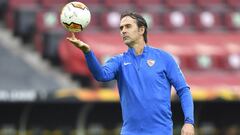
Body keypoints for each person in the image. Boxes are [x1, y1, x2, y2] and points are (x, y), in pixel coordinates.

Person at [67, 12, 195, 135]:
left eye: (128, 26)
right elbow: (100, 75)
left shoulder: (164, 58)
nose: (123, 30)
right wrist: (87, 52)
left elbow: (183, 90)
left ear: (141, 30)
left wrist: (189, 122)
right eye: (121, 28)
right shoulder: (119, 61)